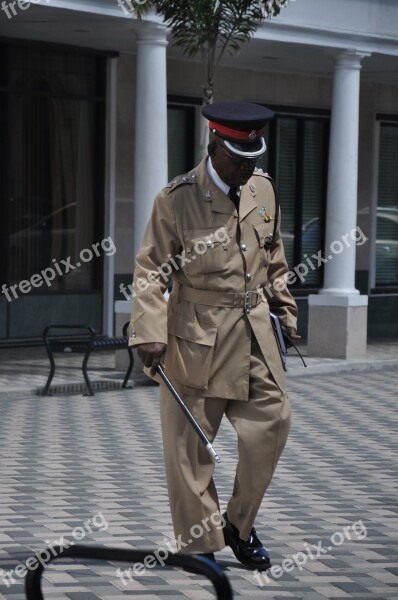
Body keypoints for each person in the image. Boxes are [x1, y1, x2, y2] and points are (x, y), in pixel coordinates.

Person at [129, 101, 300, 571]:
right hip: (195, 337)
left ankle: (238, 527)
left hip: (254, 332)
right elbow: (149, 272)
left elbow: (274, 258)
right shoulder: (176, 198)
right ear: (214, 145)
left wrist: (285, 312)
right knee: (190, 448)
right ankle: (202, 547)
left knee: (273, 423)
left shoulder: (262, 190)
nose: (249, 165)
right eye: (240, 158)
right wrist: (148, 332)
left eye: (254, 156)